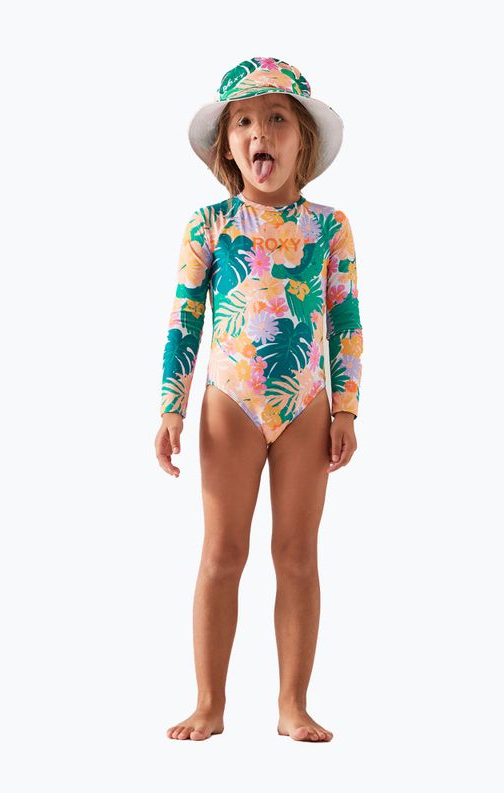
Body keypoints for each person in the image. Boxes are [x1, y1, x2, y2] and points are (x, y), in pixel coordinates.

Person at [154, 56, 363, 742]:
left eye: (277, 119)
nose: (259, 133)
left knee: (297, 555)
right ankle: (209, 704)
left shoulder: (329, 227)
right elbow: (185, 317)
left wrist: (345, 408)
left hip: (304, 404)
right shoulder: (210, 225)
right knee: (222, 553)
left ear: (303, 140)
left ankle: (292, 705)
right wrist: (172, 406)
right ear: (227, 144)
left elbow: (345, 318)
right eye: (243, 121)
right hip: (230, 402)